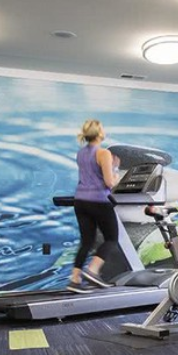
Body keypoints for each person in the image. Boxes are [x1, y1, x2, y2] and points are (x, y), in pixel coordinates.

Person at [69, 119, 120, 293]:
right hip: (98, 201)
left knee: (86, 241)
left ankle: (74, 279)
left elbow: (87, 175)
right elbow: (109, 182)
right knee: (112, 239)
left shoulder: (80, 153)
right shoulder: (103, 153)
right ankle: (92, 270)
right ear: (100, 134)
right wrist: (115, 169)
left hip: (80, 201)